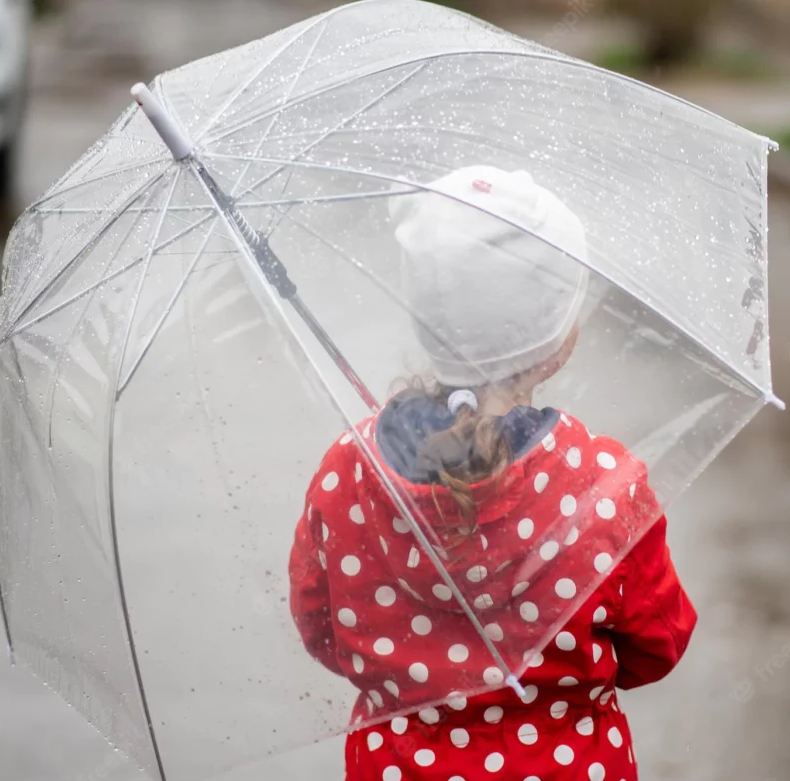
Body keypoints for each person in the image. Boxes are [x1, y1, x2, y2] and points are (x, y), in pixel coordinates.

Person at [288, 165, 696, 781]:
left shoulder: (349, 473)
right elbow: (658, 642)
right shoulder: (604, 485)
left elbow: (322, 628)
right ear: (558, 345)